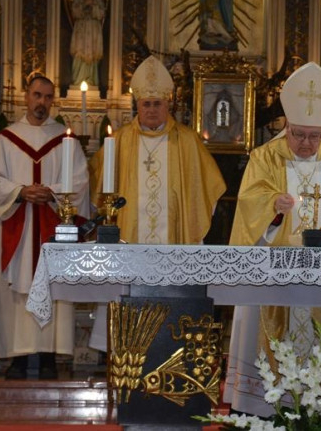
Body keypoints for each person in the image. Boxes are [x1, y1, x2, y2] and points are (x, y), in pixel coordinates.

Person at [224, 62, 321, 418]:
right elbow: (247, 206)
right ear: (286, 127)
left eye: (314, 136)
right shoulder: (264, 157)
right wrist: (272, 207)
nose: (306, 144)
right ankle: (262, 414)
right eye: (298, 135)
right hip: (272, 275)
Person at [86, 56, 226, 350]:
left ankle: (170, 347)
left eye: (157, 104)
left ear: (168, 105)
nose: (151, 109)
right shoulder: (120, 141)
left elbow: (208, 189)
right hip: (128, 239)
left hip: (174, 240)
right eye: (146, 104)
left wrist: (194, 219)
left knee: (172, 322)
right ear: (137, 105)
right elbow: (98, 190)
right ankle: (124, 352)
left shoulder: (186, 140)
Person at [0, 74, 89, 379]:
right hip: (17, 227)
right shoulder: (6, 139)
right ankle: (18, 357)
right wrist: (21, 191)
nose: (42, 102)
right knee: (16, 293)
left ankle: (49, 356)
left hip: (52, 227)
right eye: (37, 95)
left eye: (48, 97)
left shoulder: (65, 140)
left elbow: (79, 181)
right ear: (26, 97)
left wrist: (51, 192)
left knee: (52, 287)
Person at [70, 0, 106, 86]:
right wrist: (84, 4)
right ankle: (78, 79)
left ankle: (91, 79)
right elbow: (74, 12)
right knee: (79, 52)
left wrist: (94, 5)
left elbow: (101, 13)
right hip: (81, 27)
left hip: (93, 27)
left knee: (92, 53)